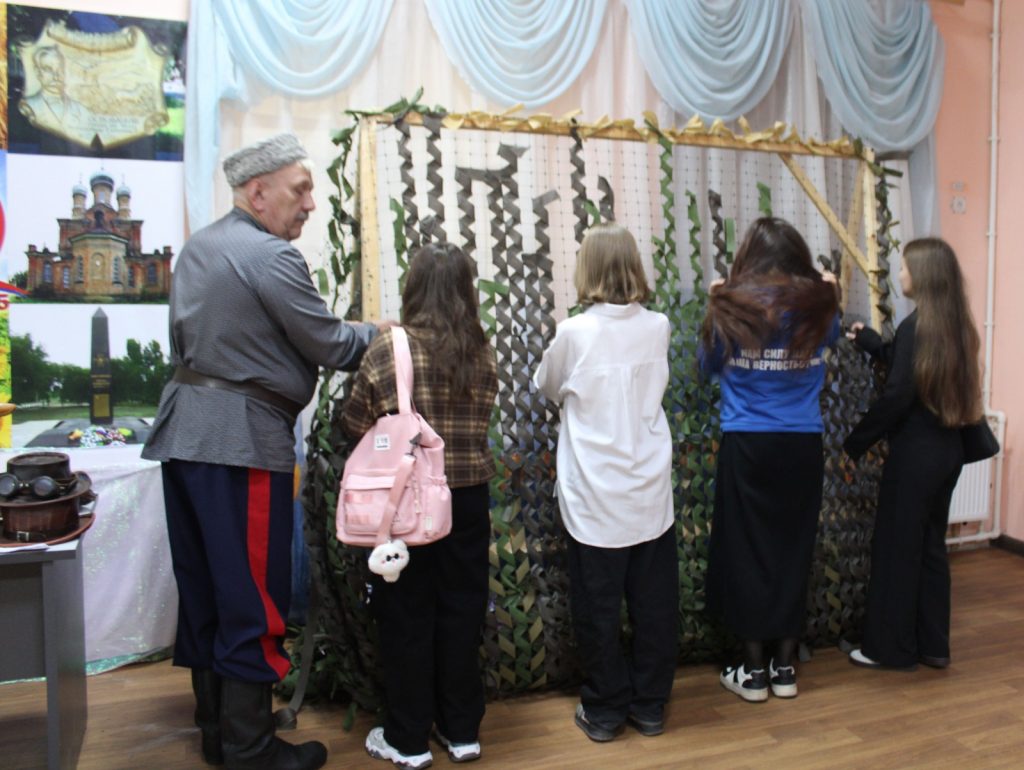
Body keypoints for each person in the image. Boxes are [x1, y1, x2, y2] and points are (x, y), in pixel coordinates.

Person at [142, 133, 379, 770]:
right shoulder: (271, 255)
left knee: (207, 590)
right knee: (251, 595)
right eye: (300, 189)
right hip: (239, 440)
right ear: (258, 192)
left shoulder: (201, 246)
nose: (310, 203)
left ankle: (220, 730)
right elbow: (331, 343)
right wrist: (382, 333)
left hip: (185, 435)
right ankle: (251, 750)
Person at [342, 242, 499, 769]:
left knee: (406, 616)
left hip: (408, 503)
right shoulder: (482, 351)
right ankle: (461, 731)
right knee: (462, 612)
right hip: (468, 497)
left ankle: (408, 739)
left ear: (413, 289)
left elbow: (354, 421)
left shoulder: (390, 348)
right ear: (466, 292)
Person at [534, 222, 678, 742]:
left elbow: (548, 385)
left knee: (598, 609)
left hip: (594, 494)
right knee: (654, 606)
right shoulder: (657, 325)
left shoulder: (575, 333)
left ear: (587, 268)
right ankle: (650, 705)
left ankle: (604, 711)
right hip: (649, 489)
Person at [700, 217, 840, 703]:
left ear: (750, 259)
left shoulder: (730, 306)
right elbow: (833, 339)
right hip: (802, 443)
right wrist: (831, 292)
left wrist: (714, 304)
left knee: (746, 551)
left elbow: (706, 366)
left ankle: (753, 671)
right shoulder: (820, 309)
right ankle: (785, 668)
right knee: (793, 549)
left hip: (747, 443)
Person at [844, 238, 981, 671]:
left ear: (921, 275)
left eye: (903, 267)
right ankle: (933, 646)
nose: (900, 273)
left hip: (915, 457)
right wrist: (873, 343)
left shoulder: (915, 327)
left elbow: (900, 394)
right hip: (948, 453)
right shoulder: (956, 327)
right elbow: (914, 368)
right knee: (930, 548)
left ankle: (890, 650)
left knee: (896, 549)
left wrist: (856, 441)